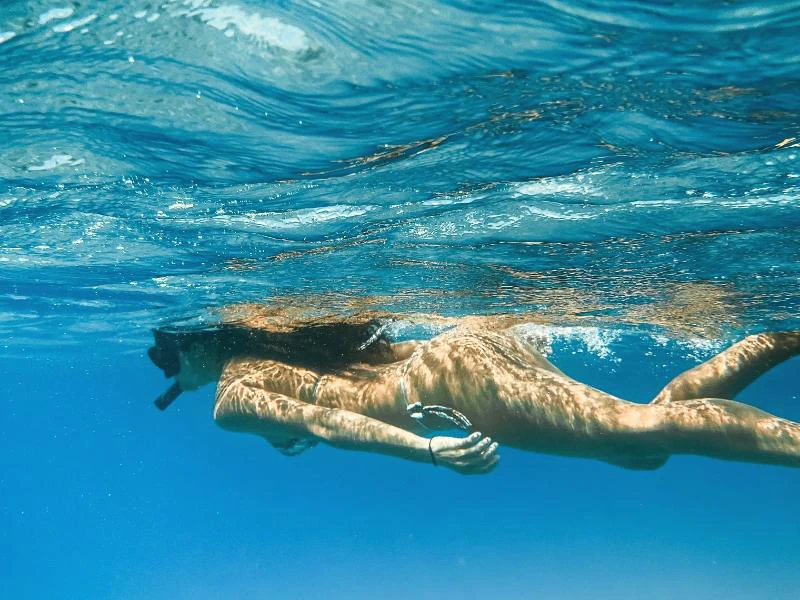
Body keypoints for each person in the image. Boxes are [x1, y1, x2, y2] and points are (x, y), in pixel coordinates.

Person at [147, 309, 800, 474]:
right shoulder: (281, 344)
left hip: (448, 385)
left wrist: (426, 450)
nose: (172, 375)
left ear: (193, 347)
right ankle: (777, 338)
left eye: (167, 360)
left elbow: (326, 425)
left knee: (635, 429)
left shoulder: (232, 398)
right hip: (463, 347)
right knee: (640, 443)